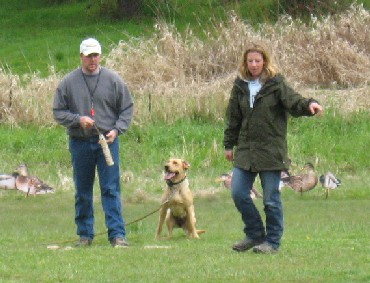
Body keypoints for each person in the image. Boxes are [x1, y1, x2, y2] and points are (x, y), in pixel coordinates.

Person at [223, 42, 323, 254]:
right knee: (239, 193)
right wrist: (228, 144)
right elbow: (233, 117)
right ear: (245, 62)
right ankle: (255, 234)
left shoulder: (276, 84)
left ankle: (272, 242)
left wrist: (309, 105)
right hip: (246, 150)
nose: (253, 64)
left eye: (257, 61)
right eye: (250, 61)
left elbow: (294, 102)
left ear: (265, 61)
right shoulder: (240, 86)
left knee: (270, 200)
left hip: (271, 150)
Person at [53, 38, 134, 248]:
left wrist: (117, 130)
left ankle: (117, 235)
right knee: (83, 190)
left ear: (100, 56)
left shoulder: (113, 80)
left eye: (96, 55)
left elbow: (127, 107)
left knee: (110, 189)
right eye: (89, 55)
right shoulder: (68, 82)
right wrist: (78, 120)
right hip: (80, 142)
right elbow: (58, 112)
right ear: (81, 56)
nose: (93, 59)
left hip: (107, 142)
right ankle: (85, 235)